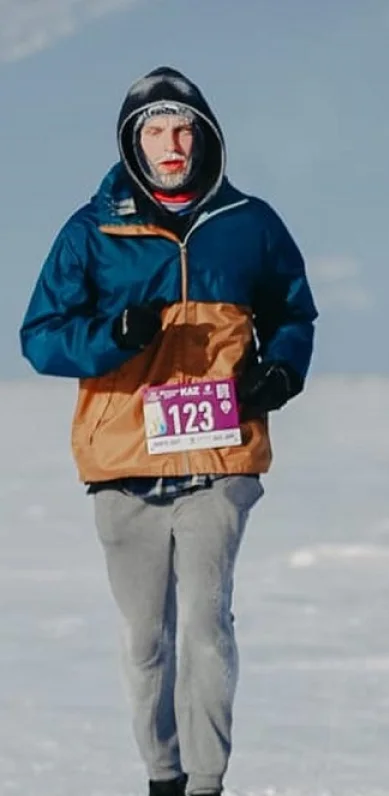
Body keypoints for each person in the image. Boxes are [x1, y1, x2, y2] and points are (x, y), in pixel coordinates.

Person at [18, 66, 318, 796]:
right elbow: (39, 338)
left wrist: (279, 373)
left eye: (183, 128)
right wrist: (112, 335)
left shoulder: (251, 224)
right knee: (146, 638)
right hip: (122, 458)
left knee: (207, 624)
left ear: (206, 135)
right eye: (155, 130)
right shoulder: (92, 232)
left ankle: (207, 783)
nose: (172, 143)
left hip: (220, 454)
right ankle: (164, 774)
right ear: (134, 142)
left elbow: (293, 316)